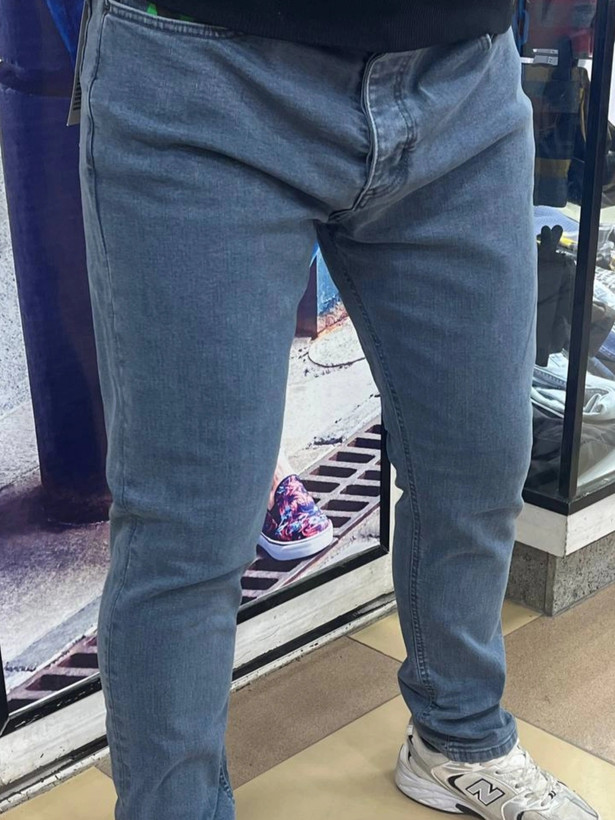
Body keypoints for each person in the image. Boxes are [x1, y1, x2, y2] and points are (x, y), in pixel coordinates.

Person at [77, 0, 599, 818]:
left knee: (478, 464)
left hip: (460, 69)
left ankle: (458, 737)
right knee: (191, 523)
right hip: (201, 67)